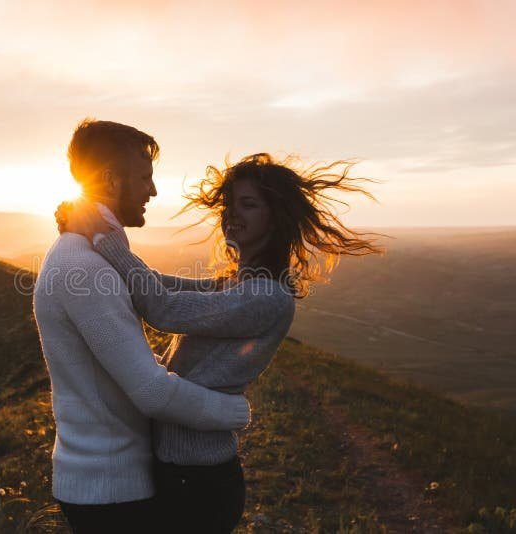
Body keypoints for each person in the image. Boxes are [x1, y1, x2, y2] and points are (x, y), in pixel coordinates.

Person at [58, 152, 383, 532]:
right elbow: (163, 285)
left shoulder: (266, 297)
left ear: (275, 217)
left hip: (198, 484)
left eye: (248, 204)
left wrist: (102, 235)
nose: (232, 213)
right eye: (230, 204)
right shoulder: (238, 284)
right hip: (181, 474)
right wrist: (100, 241)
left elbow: (162, 307)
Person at [32, 119, 252, 534]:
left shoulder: (89, 254)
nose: (152, 190)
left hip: (107, 483)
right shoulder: (83, 265)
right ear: (111, 180)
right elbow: (150, 390)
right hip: (110, 493)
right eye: (145, 178)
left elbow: (147, 284)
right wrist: (235, 412)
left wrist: (220, 287)